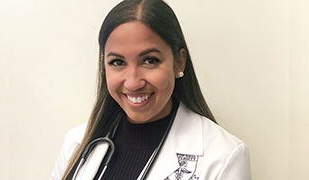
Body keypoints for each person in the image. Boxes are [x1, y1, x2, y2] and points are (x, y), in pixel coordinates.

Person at [51, 0, 252, 179]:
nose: (132, 82)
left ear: (179, 62)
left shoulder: (223, 156)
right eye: (118, 62)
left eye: (150, 60)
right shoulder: (77, 143)